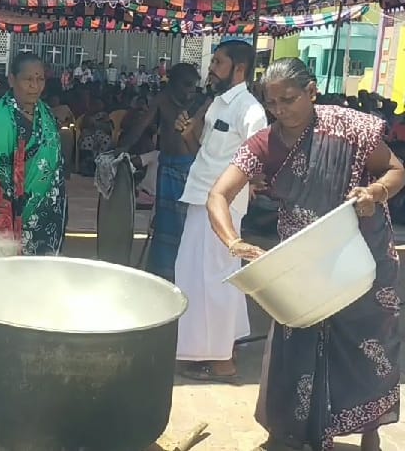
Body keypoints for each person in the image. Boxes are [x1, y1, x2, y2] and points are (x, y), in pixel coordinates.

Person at [207, 57, 403, 451]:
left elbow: (396, 169)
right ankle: (296, 432)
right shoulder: (264, 143)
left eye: (289, 100)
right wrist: (234, 242)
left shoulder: (350, 128)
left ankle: (370, 432)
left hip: (361, 256)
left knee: (366, 346)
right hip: (305, 263)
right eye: (272, 103)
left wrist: (374, 193)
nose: (280, 110)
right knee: (297, 344)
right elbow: (219, 195)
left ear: (312, 92)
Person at [174, 41, 268, 380]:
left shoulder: (250, 110)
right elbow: (203, 149)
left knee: (217, 279)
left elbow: (258, 159)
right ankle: (198, 350)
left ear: (238, 69)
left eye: (218, 62)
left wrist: (248, 187)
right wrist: (189, 132)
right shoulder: (217, 103)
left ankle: (221, 360)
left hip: (223, 205)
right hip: (199, 196)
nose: (211, 68)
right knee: (193, 276)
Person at [117, 63, 206, 282]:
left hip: (190, 170)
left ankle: (184, 274)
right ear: (173, 84)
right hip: (167, 169)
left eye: (194, 86)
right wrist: (121, 150)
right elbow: (140, 127)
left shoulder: (202, 104)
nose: (190, 91)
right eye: (186, 86)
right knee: (163, 224)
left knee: (186, 226)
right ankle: (161, 273)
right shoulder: (162, 100)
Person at [0, 53, 67, 255]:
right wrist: (4, 240)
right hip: (18, 223)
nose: (35, 86)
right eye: (28, 79)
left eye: (40, 79)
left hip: (47, 219)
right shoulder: (0, 119)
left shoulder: (44, 112)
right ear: (12, 79)